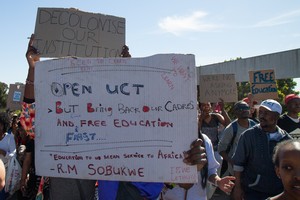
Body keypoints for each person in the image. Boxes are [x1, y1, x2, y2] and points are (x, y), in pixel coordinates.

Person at [25, 34, 208, 200]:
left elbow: (183, 183)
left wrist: (191, 165)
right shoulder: (94, 125)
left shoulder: (158, 127)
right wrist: (34, 70)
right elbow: (30, 121)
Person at [232, 99, 292, 200]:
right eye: (261, 112)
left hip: (279, 193)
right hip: (253, 192)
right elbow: (238, 164)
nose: (262, 116)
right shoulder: (248, 136)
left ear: (277, 116)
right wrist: (237, 188)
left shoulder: (287, 140)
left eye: (267, 113)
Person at [161, 132, 235, 200]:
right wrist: (174, 183)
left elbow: (211, 170)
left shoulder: (204, 140)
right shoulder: (165, 139)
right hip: (170, 196)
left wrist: (218, 181)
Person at [198, 100, 231, 198]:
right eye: (203, 106)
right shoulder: (199, 119)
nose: (205, 107)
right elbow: (196, 130)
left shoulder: (216, 117)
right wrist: (200, 119)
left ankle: (211, 191)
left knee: (214, 169)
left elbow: (228, 125)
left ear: (211, 107)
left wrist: (223, 109)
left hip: (215, 150)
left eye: (207, 105)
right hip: (203, 149)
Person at [218, 101, 257, 176]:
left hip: (252, 167)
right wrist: (232, 161)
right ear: (235, 113)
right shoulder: (231, 128)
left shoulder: (255, 126)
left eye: (246, 108)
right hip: (235, 171)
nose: (244, 110)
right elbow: (221, 149)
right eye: (241, 109)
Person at [0, 112, 17, 199]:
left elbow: (13, 156)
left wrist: (3, 153)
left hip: (5, 174)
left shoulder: (9, 138)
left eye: (0, 125)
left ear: (4, 126)